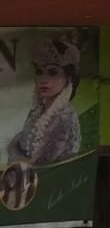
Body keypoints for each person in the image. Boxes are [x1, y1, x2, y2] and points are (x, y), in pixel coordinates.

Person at [7, 35, 82, 166]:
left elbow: (42, 164)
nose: (43, 79)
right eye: (39, 72)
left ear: (68, 78)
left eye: (52, 72)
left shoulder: (65, 117)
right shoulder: (37, 112)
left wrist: (17, 156)